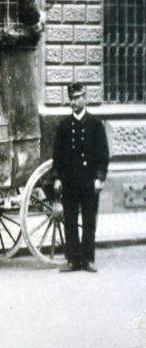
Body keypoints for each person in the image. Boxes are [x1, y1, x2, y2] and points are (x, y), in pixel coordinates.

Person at [53, 82, 110, 273]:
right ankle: (73, 260)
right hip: (70, 181)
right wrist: (58, 178)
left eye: (77, 98)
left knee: (88, 220)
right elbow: (58, 156)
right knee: (70, 220)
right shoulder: (64, 125)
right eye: (71, 98)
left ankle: (88, 259)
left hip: (89, 181)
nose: (74, 102)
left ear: (85, 98)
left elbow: (103, 154)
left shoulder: (95, 124)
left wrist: (100, 178)